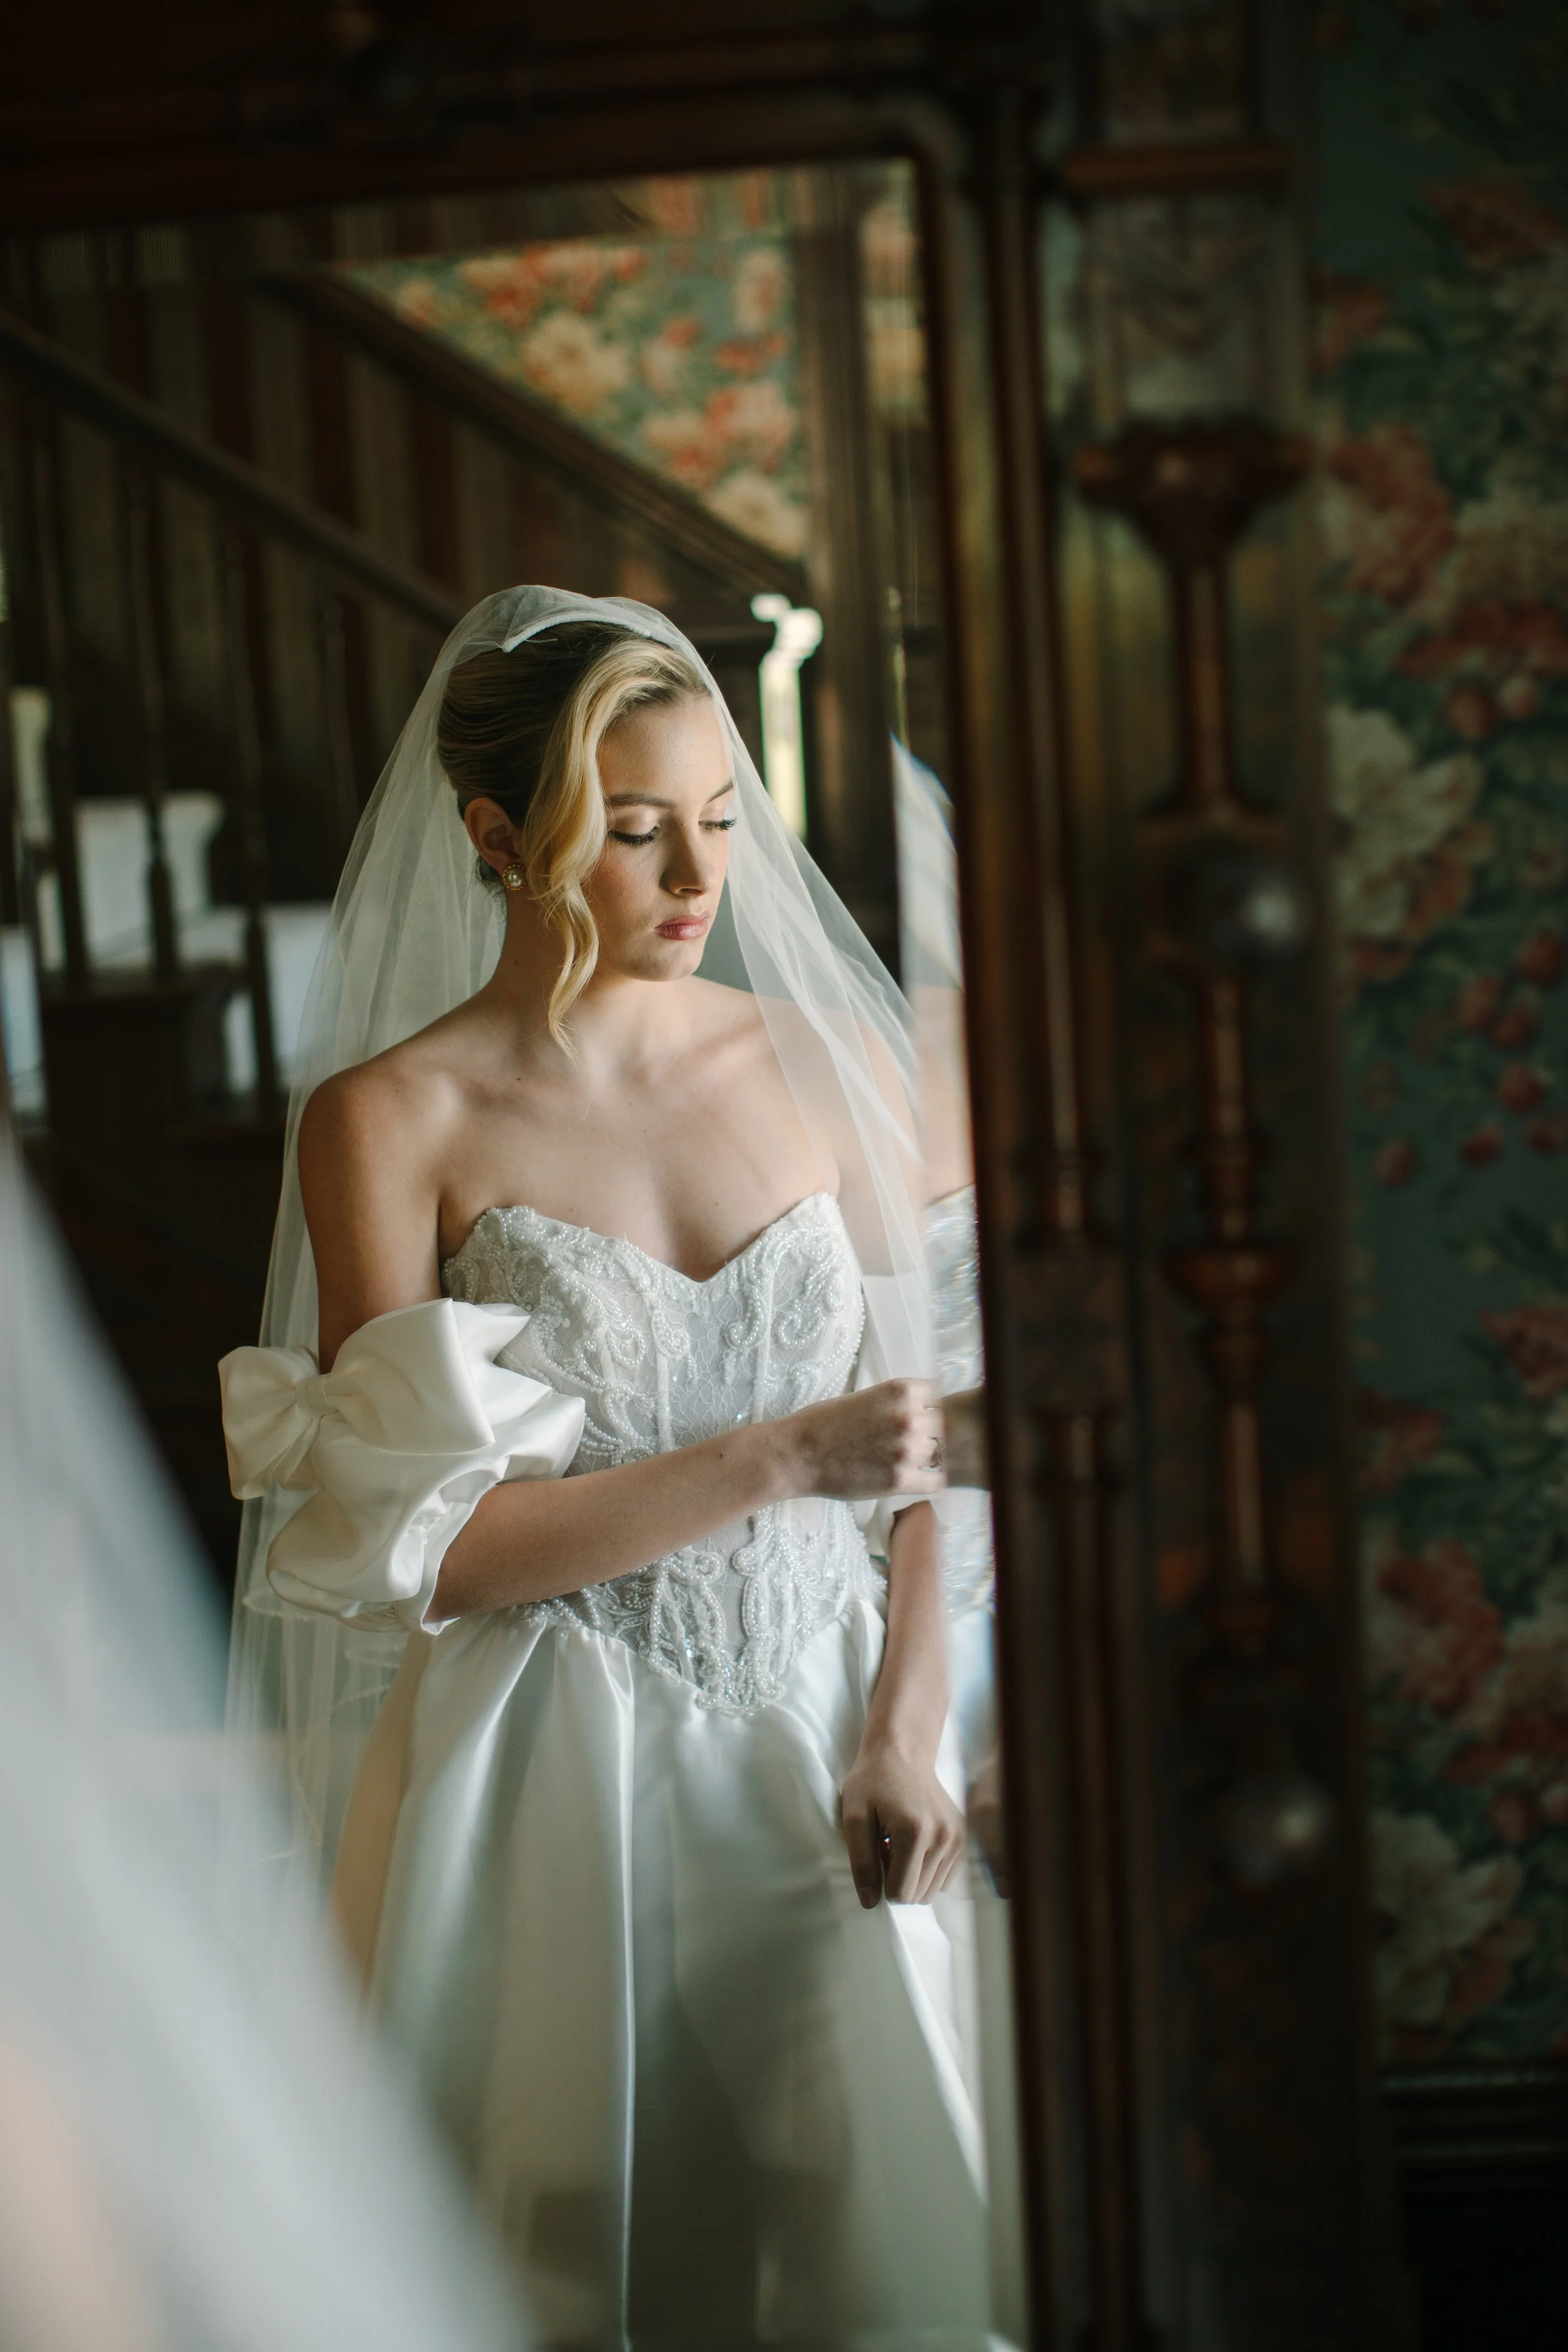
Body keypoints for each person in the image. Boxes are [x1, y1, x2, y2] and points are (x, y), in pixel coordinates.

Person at [220, 590, 998, 2349]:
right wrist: (777, 1453)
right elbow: (442, 1550)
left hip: (832, 1731)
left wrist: (906, 1721)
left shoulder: (831, 1062)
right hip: (546, 1761)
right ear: (498, 838)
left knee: (879, 2251)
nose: (698, 877)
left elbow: (937, 1430)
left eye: (720, 817)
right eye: (634, 830)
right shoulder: (391, 1119)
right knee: (569, 2254)